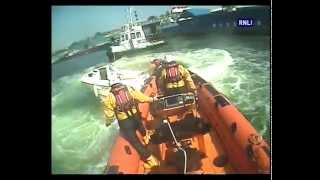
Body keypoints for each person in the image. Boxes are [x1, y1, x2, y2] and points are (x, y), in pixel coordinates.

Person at [103, 82, 160, 169]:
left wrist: (108, 123)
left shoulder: (109, 97)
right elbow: (141, 98)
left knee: (135, 143)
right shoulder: (129, 89)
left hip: (125, 122)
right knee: (141, 127)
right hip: (136, 117)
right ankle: (147, 139)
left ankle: (151, 161)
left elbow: (110, 116)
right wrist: (152, 99)